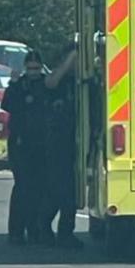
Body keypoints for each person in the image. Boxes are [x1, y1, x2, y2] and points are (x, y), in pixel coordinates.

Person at [1, 49, 50, 245]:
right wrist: (12, 84)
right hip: (20, 143)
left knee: (39, 188)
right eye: (30, 68)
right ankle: (16, 232)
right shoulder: (19, 85)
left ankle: (35, 229)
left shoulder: (46, 84)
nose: (33, 72)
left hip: (41, 143)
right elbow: (7, 105)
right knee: (22, 187)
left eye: (36, 68)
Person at [42, 49, 83, 249]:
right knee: (59, 189)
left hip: (79, 143)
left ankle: (64, 232)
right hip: (59, 143)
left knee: (71, 191)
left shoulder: (85, 81)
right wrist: (70, 60)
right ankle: (45, 228)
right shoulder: (61, 82)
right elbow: (50, 83)